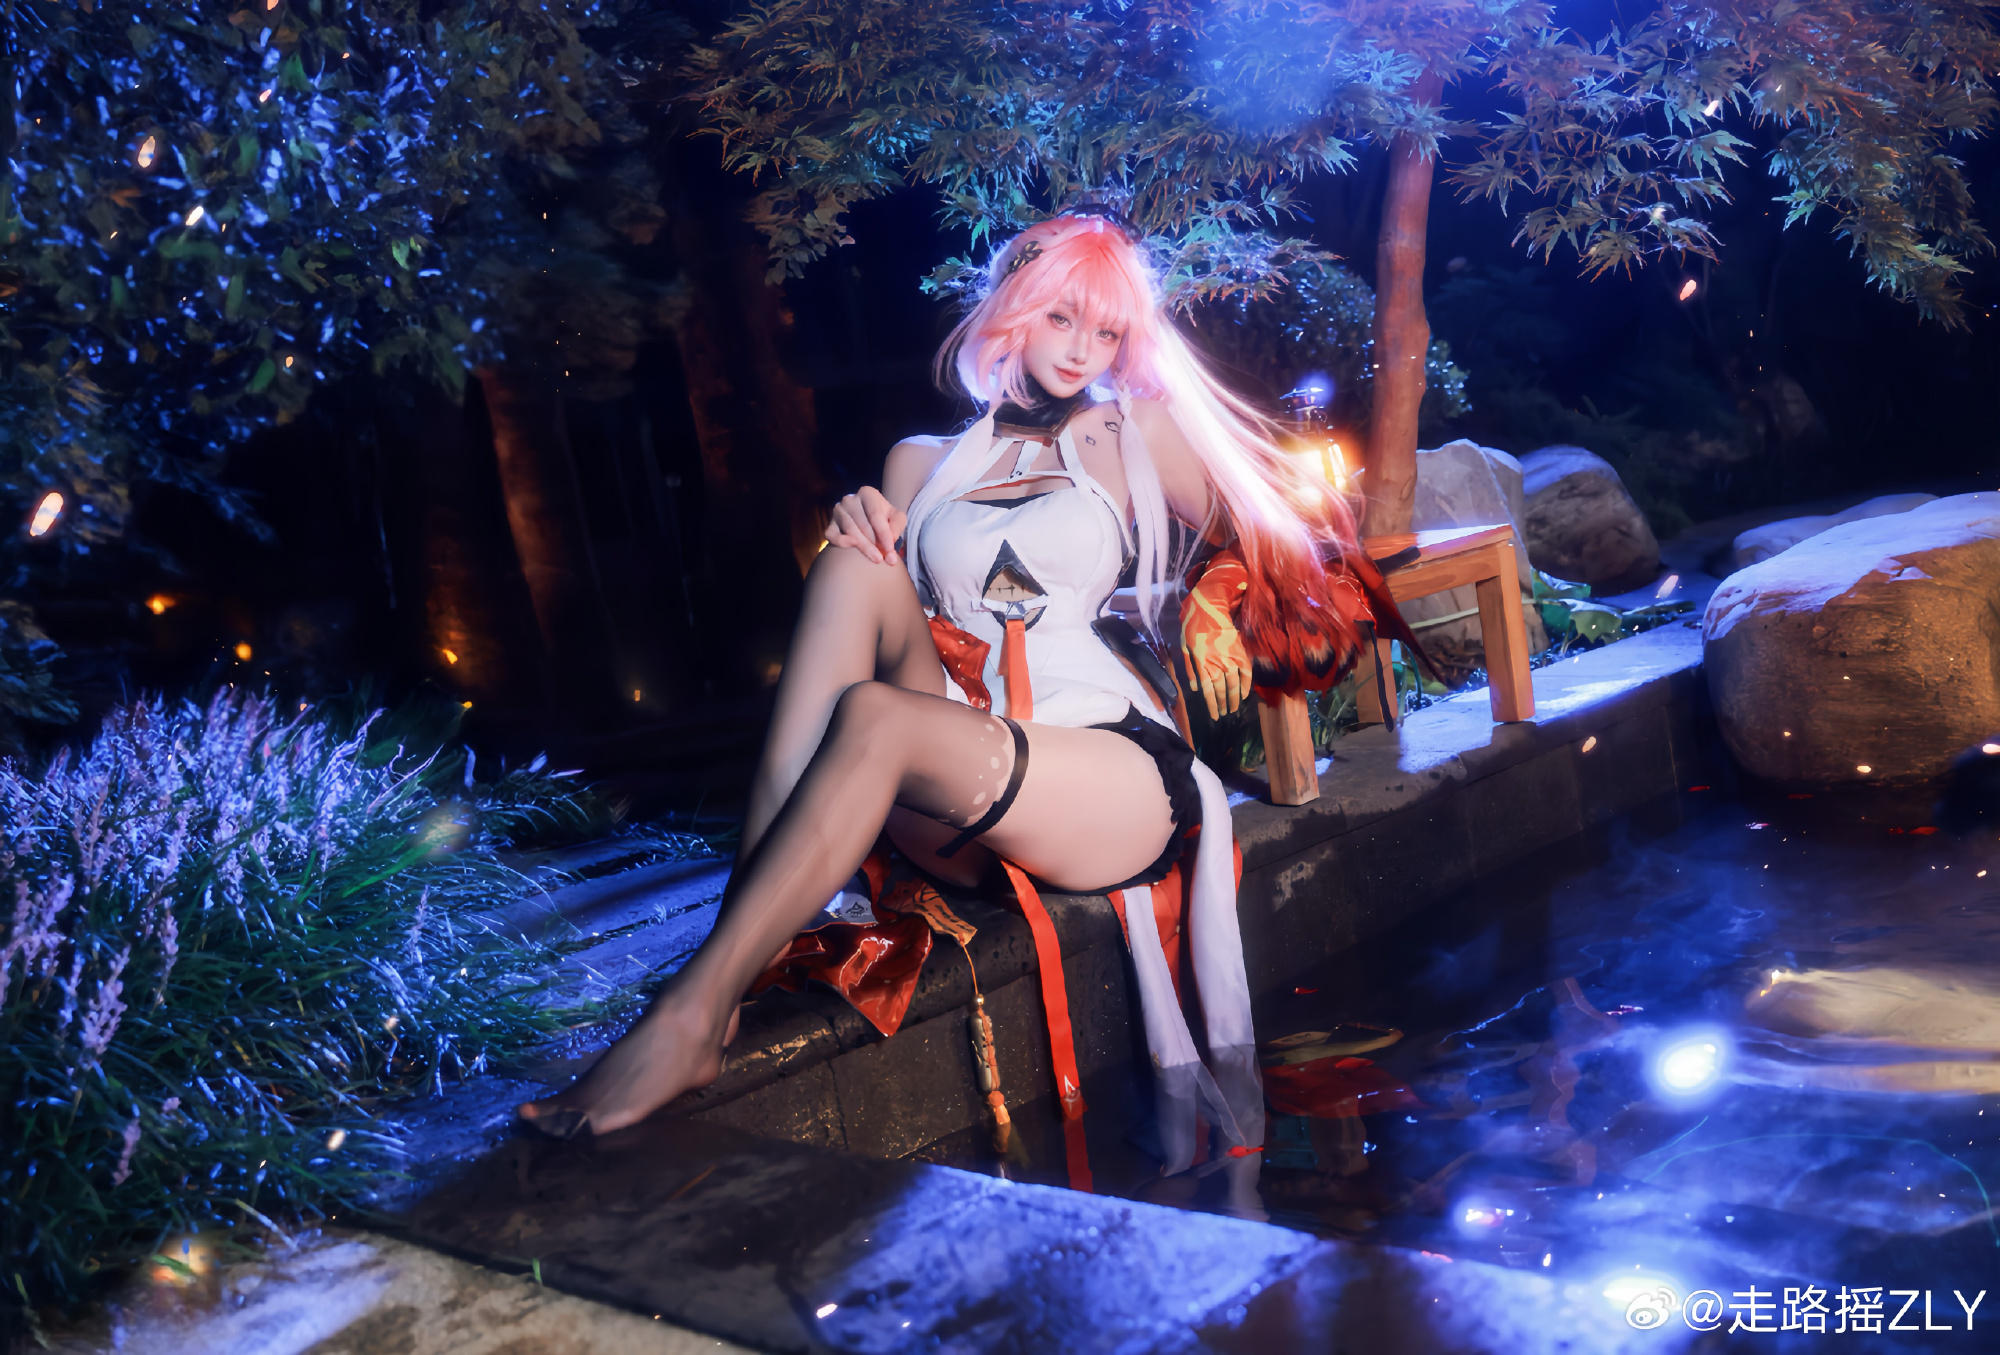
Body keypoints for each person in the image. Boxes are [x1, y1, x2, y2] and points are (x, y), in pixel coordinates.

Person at [519, 211, 1384, 1175]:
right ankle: (732, 962)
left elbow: (1285, 534)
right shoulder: (919, 462)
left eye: (1106, 332)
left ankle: (693, 1013)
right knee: (850, 565)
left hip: (1107, 771)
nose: (1083, 349)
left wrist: (1216, 597)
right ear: (1013, 306)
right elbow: (876, 623)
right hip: (961, 769)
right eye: (1062, 318)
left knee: (876, 716)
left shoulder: (1129, 430)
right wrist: (858, 517)